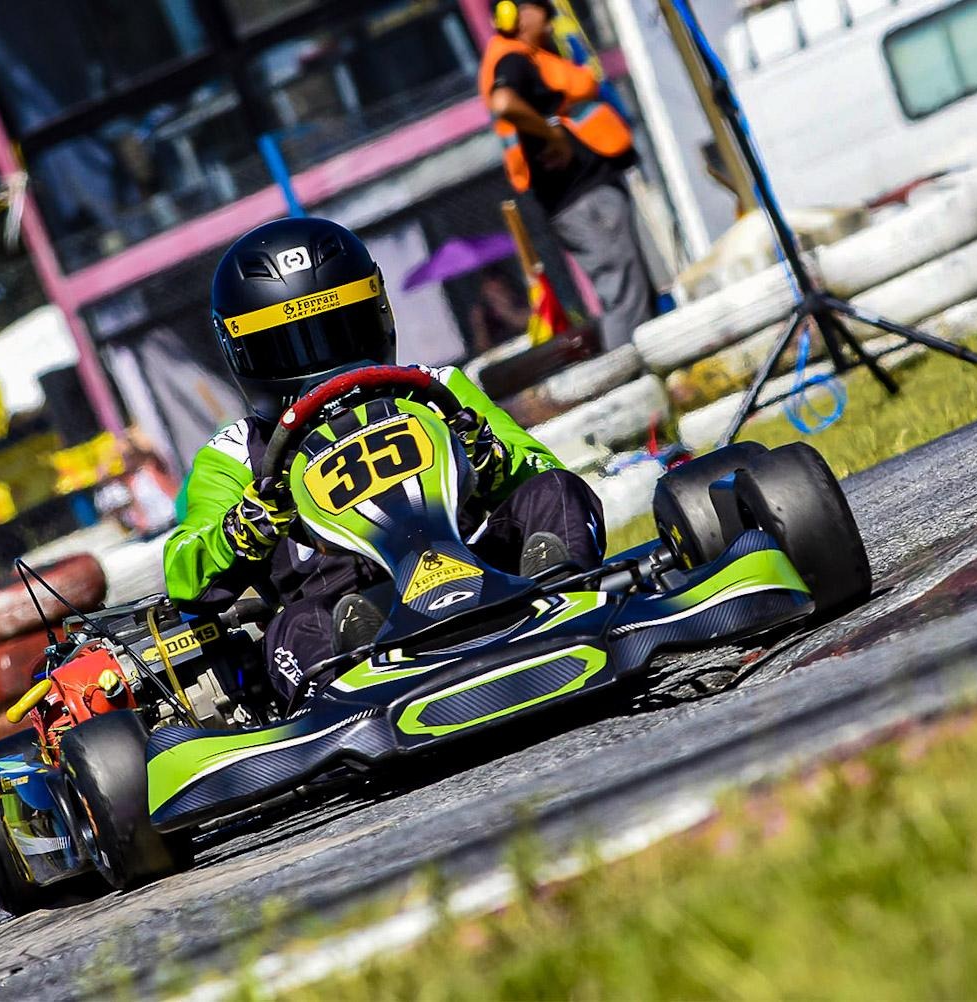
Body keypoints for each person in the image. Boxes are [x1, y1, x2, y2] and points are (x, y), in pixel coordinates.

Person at [163, 217, 605, 707]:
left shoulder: (436, 388)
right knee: (293, 626)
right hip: (347, 608)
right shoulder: (234, 456)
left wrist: (491, 459)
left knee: (555, 492)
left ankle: (565, 591)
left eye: (339, 330)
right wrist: (239, 531)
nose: (322, 364)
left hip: (487, 567)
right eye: (287, 347)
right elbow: (183, 571)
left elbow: (540, 470)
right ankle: (347, 690)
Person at [479, 0, 653, 352]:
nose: (549, 26)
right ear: (521, 13)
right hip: (585, 200)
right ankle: (636, 382)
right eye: (545, 15)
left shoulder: (522, 59)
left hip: (585, 197)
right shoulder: (513, 61)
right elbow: (504, 102)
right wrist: (552, 133)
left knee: (629, 293)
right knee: (623, 297)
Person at [468, 265, 533, 353]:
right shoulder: (488, 319)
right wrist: (479, 326)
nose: (497, 298)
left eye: (499, 292)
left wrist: (506, 311)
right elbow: (483, 350)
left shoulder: (525, 301)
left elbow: (530, 320)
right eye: (491, 297)